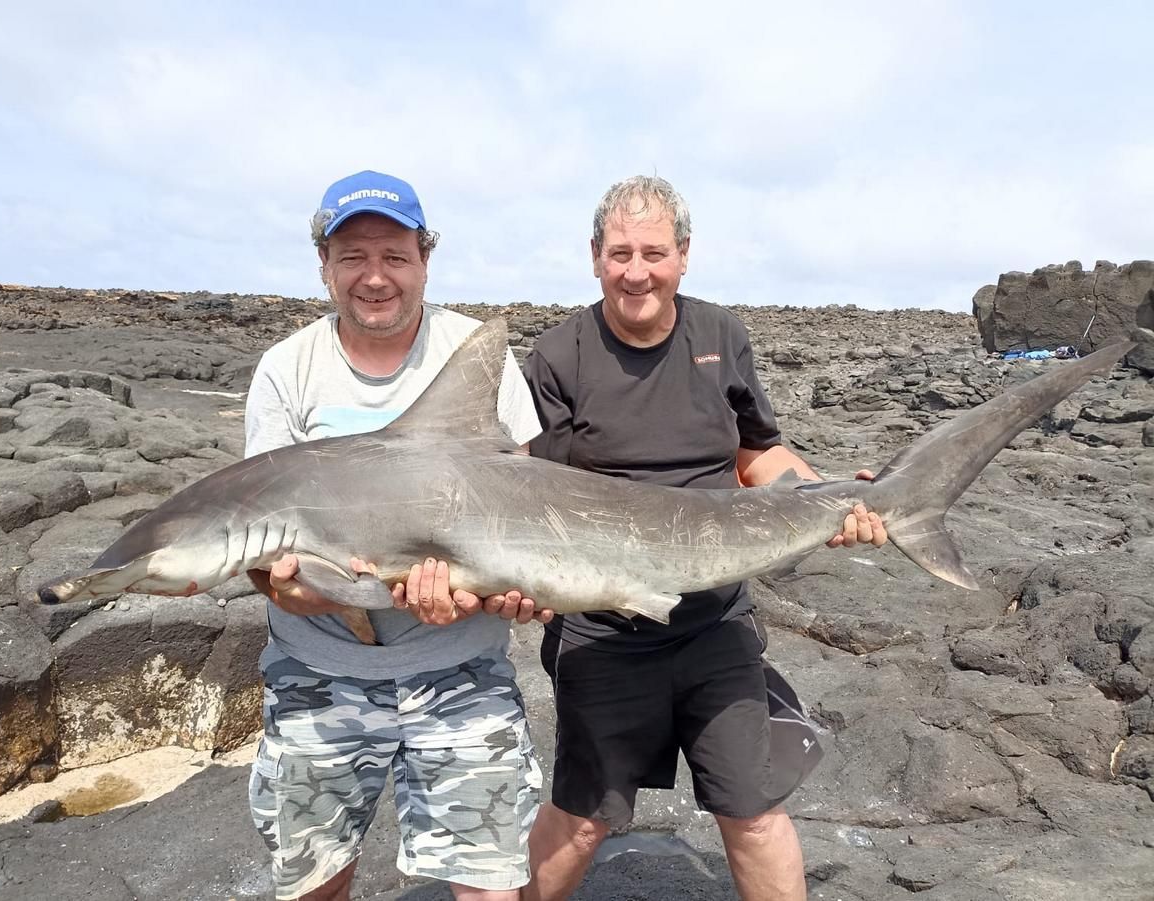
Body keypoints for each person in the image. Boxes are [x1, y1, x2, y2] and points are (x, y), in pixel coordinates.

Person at [520, 175, 887, 901]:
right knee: (583, 820)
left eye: (654, 253)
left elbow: (758, 455)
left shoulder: (721, 335)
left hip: (714, 621)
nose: (636, 272)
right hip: (604, 630)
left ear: (684, 255)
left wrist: (833, 498)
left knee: (754, 812)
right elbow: (533, 493)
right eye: (620, 253)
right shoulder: (559, 355)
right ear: (594, 257)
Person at [243, 170, 549, 901]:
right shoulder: (287, 371)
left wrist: (503, 594)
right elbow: (261, 554)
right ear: (324, 265)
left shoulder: (475, 352)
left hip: (461, 671)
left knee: (490, 886)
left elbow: (524, 516)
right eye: (353, 257)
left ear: (425, 260)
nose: (375, 277)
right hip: (317, 673)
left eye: (394, 256)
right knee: (312, 882)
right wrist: (302, 592)